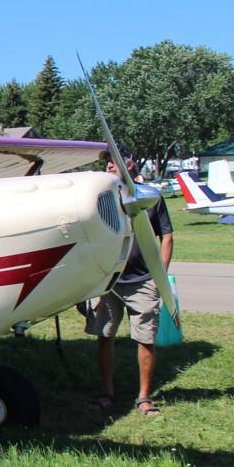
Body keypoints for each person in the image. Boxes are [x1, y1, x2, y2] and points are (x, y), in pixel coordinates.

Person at [86, 148, 173, 416]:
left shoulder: (151, 196)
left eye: (114, 161)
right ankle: (106, 392)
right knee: (105, 334)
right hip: (110, 278)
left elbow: (167, 237)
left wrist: (160, 276)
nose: (109, 166)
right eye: (107, 162)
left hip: (144, 279)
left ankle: (144, 397)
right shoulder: (102, 198)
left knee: (145, 338)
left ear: (131, 163)